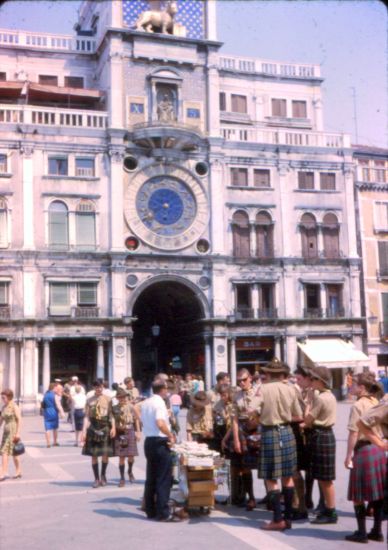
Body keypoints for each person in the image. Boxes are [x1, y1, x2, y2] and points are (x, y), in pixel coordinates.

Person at [256, 359, 303, 531]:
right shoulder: (291, 389)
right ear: (282, 374)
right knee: (288, 476)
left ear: (268, 374)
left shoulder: (263, 389)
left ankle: (277, 519)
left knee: (270, 477)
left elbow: (250, 410)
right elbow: (299, 415)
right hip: (287, 432)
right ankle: (288, 518)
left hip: (269, 432)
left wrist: (261, 416)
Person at [344, 372, 386, 543]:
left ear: (362, 388)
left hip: (364, 450)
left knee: (358, 494)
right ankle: (377, 531)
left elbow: (354, 433)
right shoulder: (377, 402)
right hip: (378, 450)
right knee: (378, 493)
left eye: (353, 384)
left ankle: (361, 532)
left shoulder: (358, 406)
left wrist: (348, 456)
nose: (350, 386)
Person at [141, 379, 179, 522]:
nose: (167, 390)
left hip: (149, 441)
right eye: (166, 388)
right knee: (163, 478)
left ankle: (150, 510)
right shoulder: (159, 403)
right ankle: (163, 512)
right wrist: (170, 435)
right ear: (162, 389)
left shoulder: (146, 402)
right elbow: (160, 422)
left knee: (151, 477)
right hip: (160, 441)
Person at [303, 366, 338, 525]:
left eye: (313, 379)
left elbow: (308, 420)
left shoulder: (320, 398)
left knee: (325, 478)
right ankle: (327, 508)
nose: (311, 381)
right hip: (326, 434)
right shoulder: (329, 395)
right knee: (325, 477)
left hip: (320, 435)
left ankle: (330, 511)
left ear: (320, 381)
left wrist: (308, 402)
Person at [228, 368, 261, 511]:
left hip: (258, 428)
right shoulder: (236, 396)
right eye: (239, 380)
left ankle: (272, 498)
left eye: (244, 380)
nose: (242, 383)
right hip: (243, 430)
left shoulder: (259, 393)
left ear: (250, 379)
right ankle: (251, 498)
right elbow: (234, 420)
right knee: (245, 467)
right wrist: (235, 439)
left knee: (264, 465)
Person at [82, 379, 116, 488]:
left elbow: (111, 415)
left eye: (101, 387)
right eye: (97, 387)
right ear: (94, 387)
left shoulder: (108, 399)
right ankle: (96, 479)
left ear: (103, 387)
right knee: (94, 455)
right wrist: (84, 431)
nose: (99, 389)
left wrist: (113, 427)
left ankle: (103, 476)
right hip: (93, 427)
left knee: (105, 454)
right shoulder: (89, 400)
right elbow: (87, 416)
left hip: (105, 426)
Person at [112, 388, 141, 487]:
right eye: (120, 397)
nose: (122, 399)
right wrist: (114, 429)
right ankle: (122, 478)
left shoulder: (131, 406)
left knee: (131, 456)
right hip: (120, 432)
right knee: (121, 457)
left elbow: (137, 419)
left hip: (130, 430)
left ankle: (130, 471)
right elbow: (112, 420)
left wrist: (138, 432)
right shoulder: (115, 408)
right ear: (117, 398)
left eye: (124, 397)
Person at [0, 389, 22, 480]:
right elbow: (1, 420)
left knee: (10, 452)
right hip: (6, 433)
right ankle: (8, 472)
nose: (2, 399)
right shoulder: (3, 407)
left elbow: (20, 420)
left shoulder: (14, 407)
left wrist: (18, 433)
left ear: (9, 397)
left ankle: (9, 471)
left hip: (13, 432)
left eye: (3, 397)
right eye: (1, 397)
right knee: (8, 452)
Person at [42, 382, 65, 447]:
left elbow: (43, 404)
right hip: (54, 412)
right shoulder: (55, 395)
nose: (56, 389)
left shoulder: (45, 395)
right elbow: (58, 405)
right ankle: (55, 442)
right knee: (55, 428)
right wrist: (62, 413)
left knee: (47, 429)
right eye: (56, 388)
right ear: (53, 388)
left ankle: (48, 443)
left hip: (47, 412)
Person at [212, 384, 234, 453]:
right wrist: (217, 418)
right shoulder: (218, 404)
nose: (222, 398)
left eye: (224, 395)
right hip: (223, 429)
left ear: (229, 394)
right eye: (221, 395)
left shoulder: (234, 403)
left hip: (233, 429)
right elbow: (217, 418)